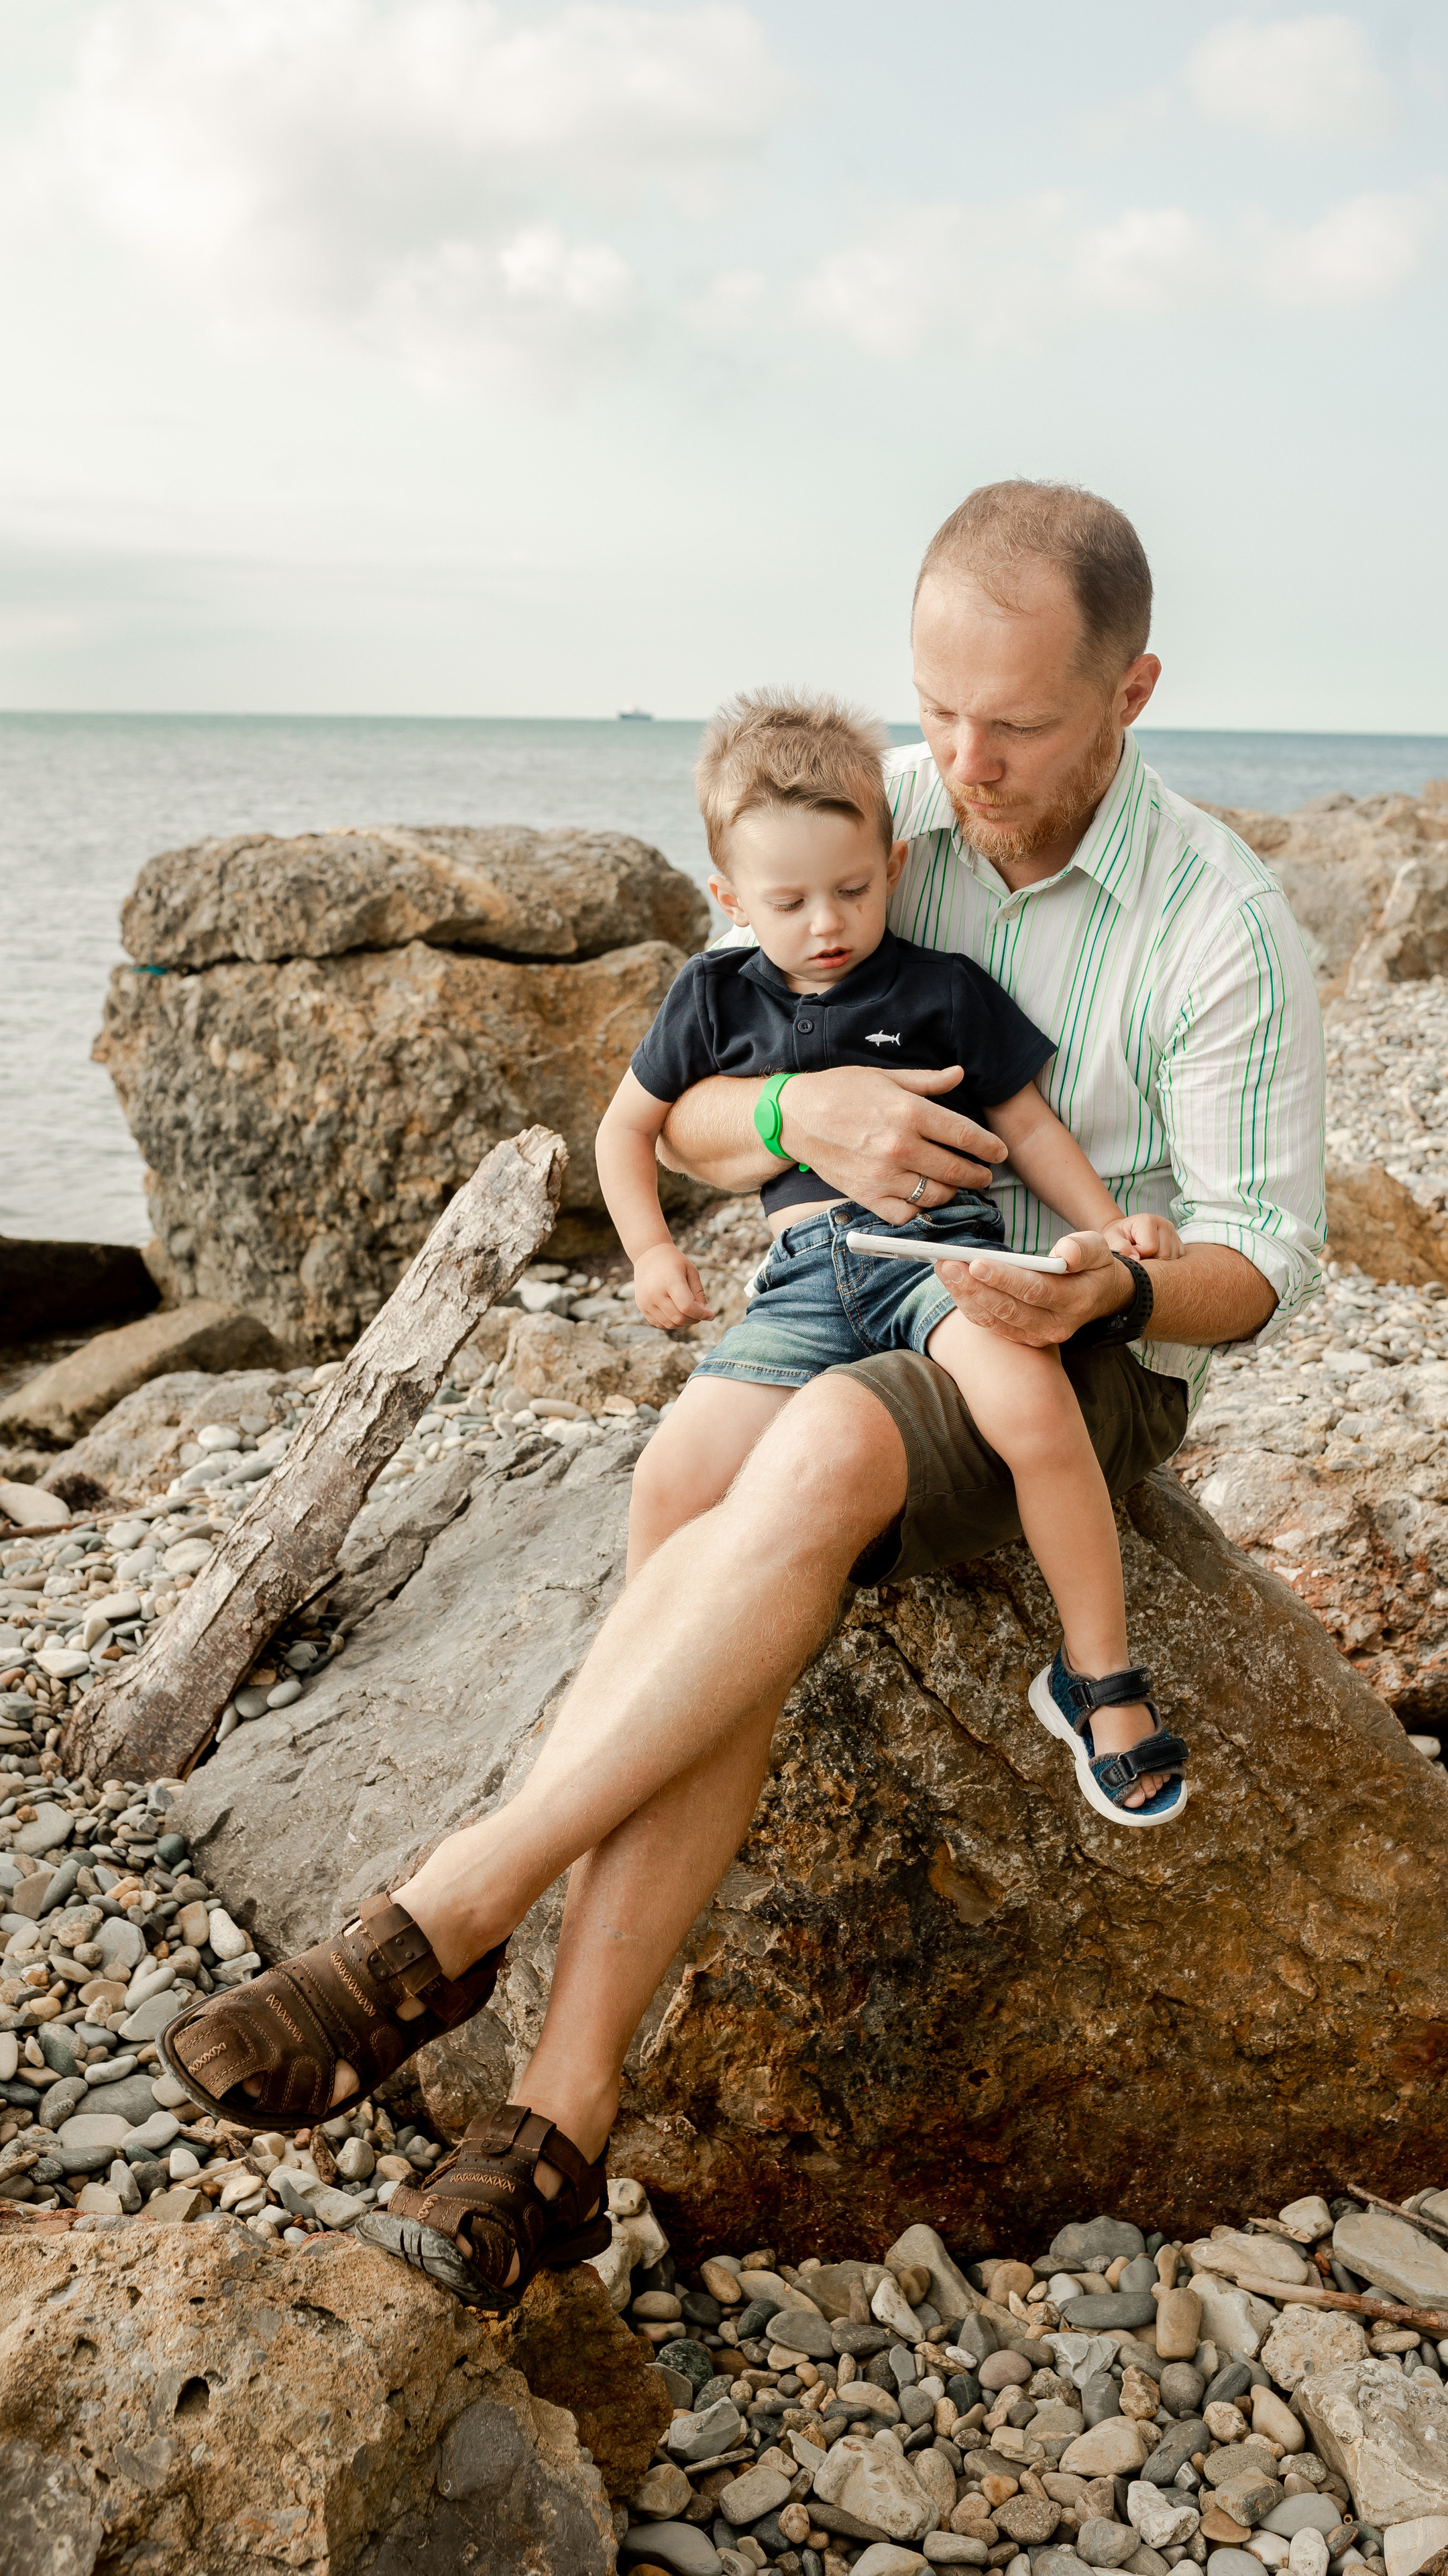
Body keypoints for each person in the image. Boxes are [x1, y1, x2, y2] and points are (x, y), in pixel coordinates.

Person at [158, 480, 1326, 2312]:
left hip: (1067, 1339)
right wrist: (803, 1118)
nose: (962, 758)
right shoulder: (878, 820)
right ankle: (553, 2140)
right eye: (936, 707)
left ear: (1135, 690)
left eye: (1013, 722)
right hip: (834, 1283)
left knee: (820, 1451)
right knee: (678, 1505)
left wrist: (1110, 1273)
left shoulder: (1219, 924)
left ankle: (448, 1915)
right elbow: (695, 1099)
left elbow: (1263, 1260)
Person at [598, 688, 1192, 1827]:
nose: (827, 921)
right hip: (801, 1279)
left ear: (897, 863)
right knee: (674, 1474)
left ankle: (1099, 1676)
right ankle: (640, 1698)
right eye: (788, 901)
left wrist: (1108, 1222)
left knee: (1035, 1411)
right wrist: (650, 1253)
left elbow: (1027, 1125)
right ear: (729, 899)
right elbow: (628, 1127)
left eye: (854, 889)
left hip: (937, 1261)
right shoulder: (712, 997)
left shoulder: (941, 990)